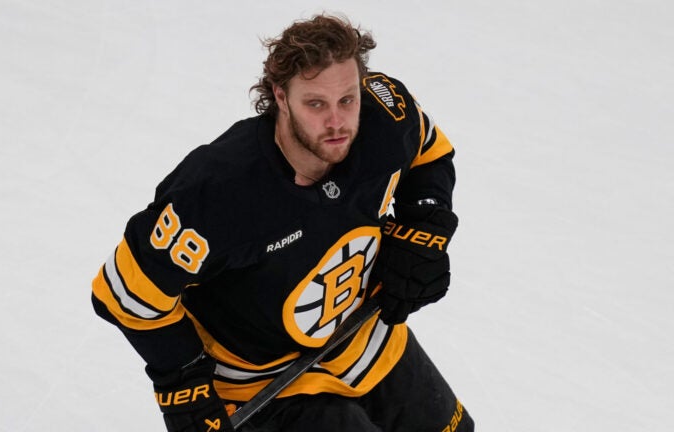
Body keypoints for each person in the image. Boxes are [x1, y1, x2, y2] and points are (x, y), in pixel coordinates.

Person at [92, 14, 474, 432]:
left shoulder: (384, 116)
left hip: (365, 339)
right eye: (316, 104)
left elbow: (430, 153)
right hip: (258, 382)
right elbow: (126, 293)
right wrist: (183, 381)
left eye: (347, 99)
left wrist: (425, 228)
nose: (337, 122)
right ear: (281, 96)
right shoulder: (220, 189)